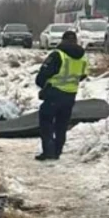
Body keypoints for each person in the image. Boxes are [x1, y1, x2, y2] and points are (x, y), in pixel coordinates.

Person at [34, 30, 87, 161]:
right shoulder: (82, 56)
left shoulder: (58, 54)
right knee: (62, 124)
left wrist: (44, 87)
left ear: (62, 40)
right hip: (71, 95)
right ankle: (57, 151)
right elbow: (83, 74)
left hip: (54, 93)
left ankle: (49, 151)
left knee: (46, 121)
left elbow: (43, 75)